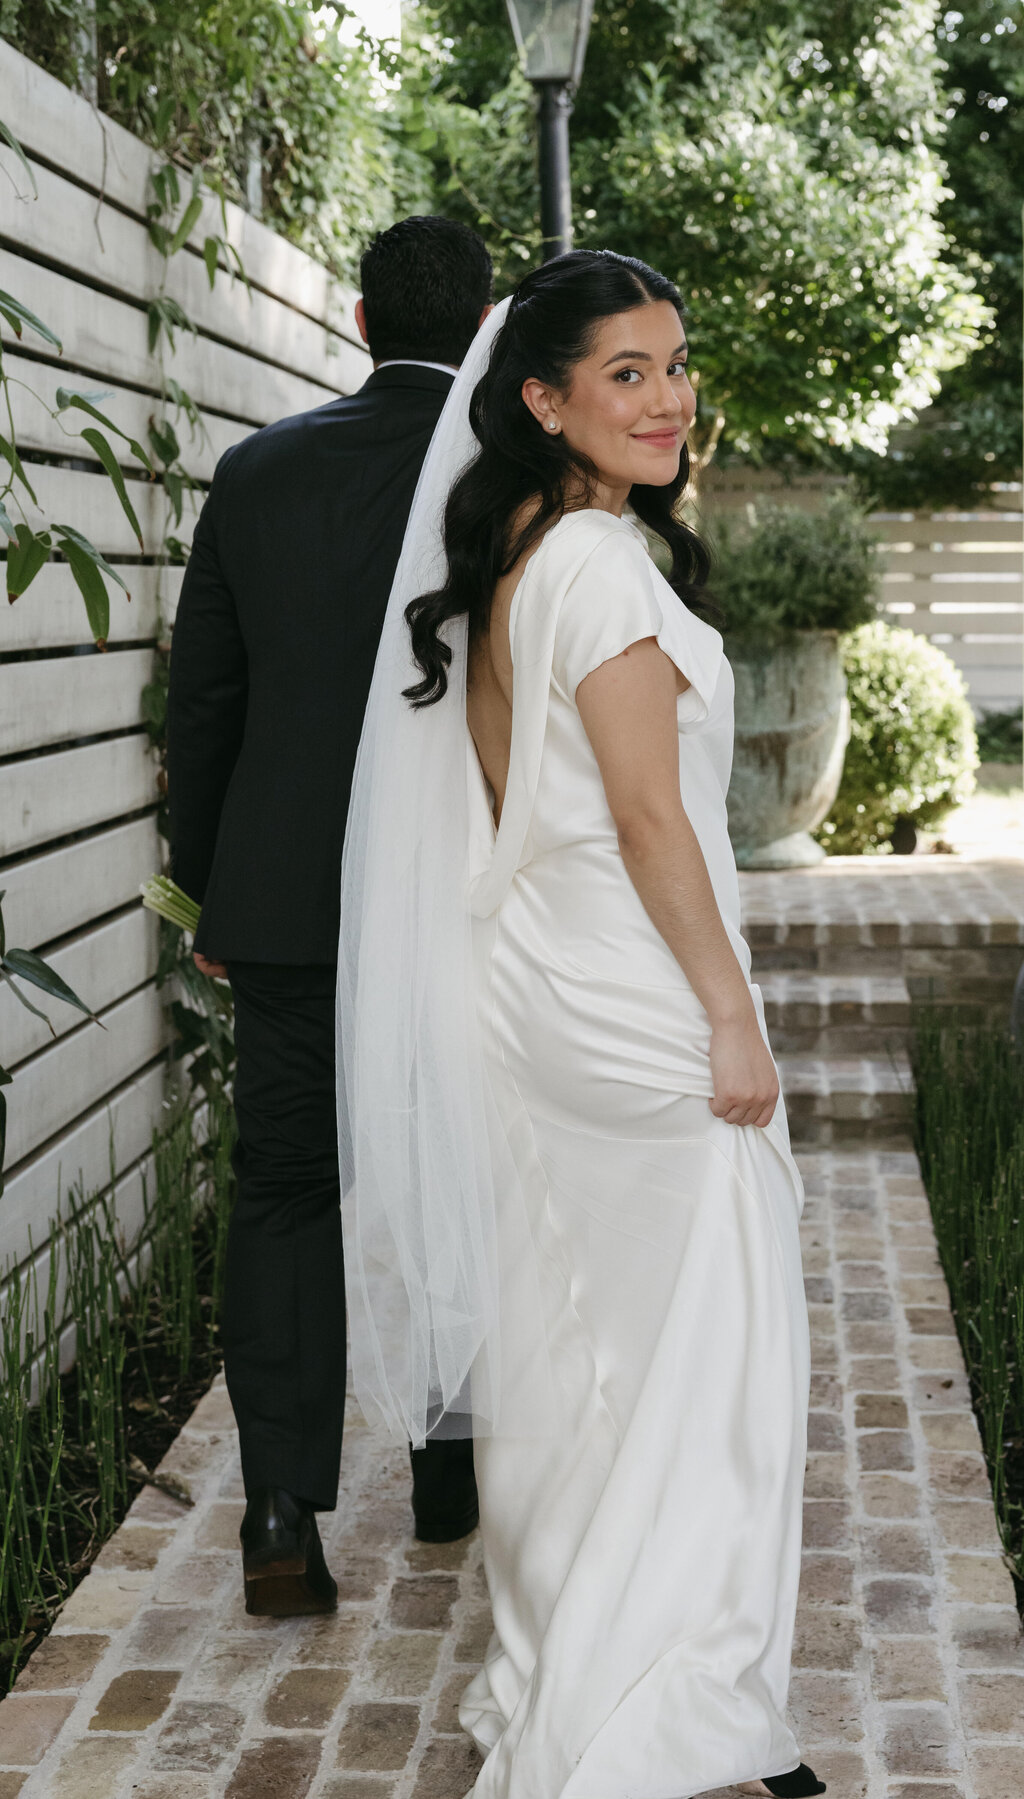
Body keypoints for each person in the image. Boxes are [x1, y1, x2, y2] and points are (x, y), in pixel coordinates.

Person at [337, 251, 823, 1795]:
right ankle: (670, 1709)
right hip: (629, 1001)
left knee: (564, 1346)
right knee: (715, 1361)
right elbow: (645, 821)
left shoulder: (523, 555)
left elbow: (506, 807)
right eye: (627, 372)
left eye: (676, 364)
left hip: (535, 986)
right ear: (541, 399)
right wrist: (730, 1024)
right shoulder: (605, 571)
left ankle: (559, 1658)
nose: (670, 398)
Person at [166, 216, 493, 1616]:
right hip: (474, 904)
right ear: (488, 332)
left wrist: (205, 884)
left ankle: (282, 1516)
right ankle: (449, 1477)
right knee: (467, 1170)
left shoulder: (255, 472)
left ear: (360, 320)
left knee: (285, 1191)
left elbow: (207, 707)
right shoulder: (515, 481)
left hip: (289, 906)